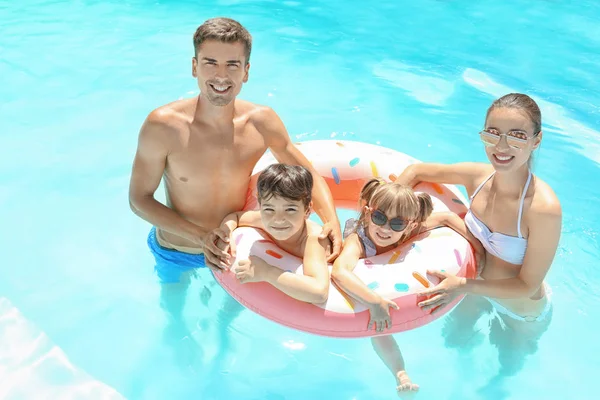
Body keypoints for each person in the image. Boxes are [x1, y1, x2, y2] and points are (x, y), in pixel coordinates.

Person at [127, 17, 341, 361]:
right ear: (194, 66)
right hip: (176, 247)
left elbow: (305, 172)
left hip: (236, 250)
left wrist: (331, 220)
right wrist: (200, 237)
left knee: (229, 314)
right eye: (210, 63)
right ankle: (176, 341)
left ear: (247, 71)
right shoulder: (163, 125)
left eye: (232, 64)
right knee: (174, 308)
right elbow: (138, 199)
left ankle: (223, 340)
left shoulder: (260, 121)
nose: (221, 76)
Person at [395, 93, 562, 376]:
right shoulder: (478, 176)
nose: (502, 146)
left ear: (537, 141)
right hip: (472, 285)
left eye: (517, 135)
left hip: (519, 311)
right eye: (493, 133)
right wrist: (386, 210)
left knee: (504, 370)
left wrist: (461, 285)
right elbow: (416, 170)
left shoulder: (543, 208)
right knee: (454, 343)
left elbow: (527, 286)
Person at [330, 178, 483, 397]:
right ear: (367, 214)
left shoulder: (413, 229)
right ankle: (401, 373)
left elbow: (448, 218)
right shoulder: (358, 241)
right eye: (379, 217)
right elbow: (339, 271)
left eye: (397, 224)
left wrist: (478, 250)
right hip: (369, 278)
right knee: (380, 326)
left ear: (410, 225)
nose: (385, 229)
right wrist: (374, 301)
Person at [214, 163, 330, 303]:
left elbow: (319, 293)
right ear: (261, 205)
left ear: (307, 210)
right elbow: (236, 217)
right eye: (269, 209)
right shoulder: (263, 220)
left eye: (290, 210)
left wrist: (266, 272)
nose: (278, 219)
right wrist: (226, 235)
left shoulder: (315, 240)